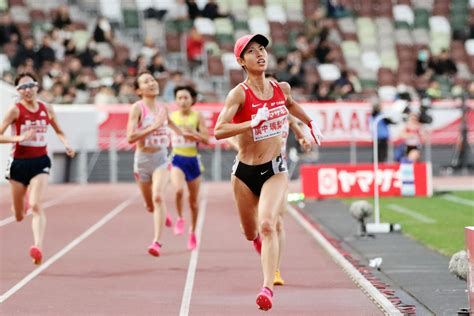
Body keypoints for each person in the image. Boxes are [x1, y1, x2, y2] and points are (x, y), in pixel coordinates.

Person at [214, 34, 322, 311]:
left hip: (274, 169)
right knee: (250, 232)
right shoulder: (239, 93)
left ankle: (267, 287)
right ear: (241, 60)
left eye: (262, 49)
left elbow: (291, 105)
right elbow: (219, 130)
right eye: (252, 51)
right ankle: (259, 246)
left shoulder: (279, 87)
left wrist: (309, 124)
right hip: (243, 173)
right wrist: (251, 122)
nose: (260, 54)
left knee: (269, 224)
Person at [0, 73, 75, 265]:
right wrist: (18, 139)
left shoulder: (46, 108)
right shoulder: (15, 110)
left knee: (36, 204)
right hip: (18, 163)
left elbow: (58, 130)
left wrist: (67, 144)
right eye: (22, 87)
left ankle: (38, 247)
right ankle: (22, 202)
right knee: (18, 215)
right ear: (17, 91)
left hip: (40, 161)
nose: (27, 90)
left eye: (30, 85)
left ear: (37, 86)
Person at [126, 72, 186, 257]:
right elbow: (130, 137)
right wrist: (153, 127)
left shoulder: (163, 108)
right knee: (150, 206)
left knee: (158, 197)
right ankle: (162, 214)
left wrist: (189, 135)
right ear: (138, 90)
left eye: (152, 80)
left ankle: (157, 242)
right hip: (142, 161)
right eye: (146, 82)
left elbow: (174, 126)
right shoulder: (137, 108)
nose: (152, 83)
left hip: (160, 158)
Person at [169, 85, 209, 250]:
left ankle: (192, 231)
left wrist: (194, 133)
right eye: (179, 98)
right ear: (176, 100)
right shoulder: (172, 117)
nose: (183, 101)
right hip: (177, 159)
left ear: (192, 99)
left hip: (193, 161)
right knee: (178, 190)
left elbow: (206, 139)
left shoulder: (197, 116)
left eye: (186, 97)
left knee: (193, 202)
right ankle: (179, 218)